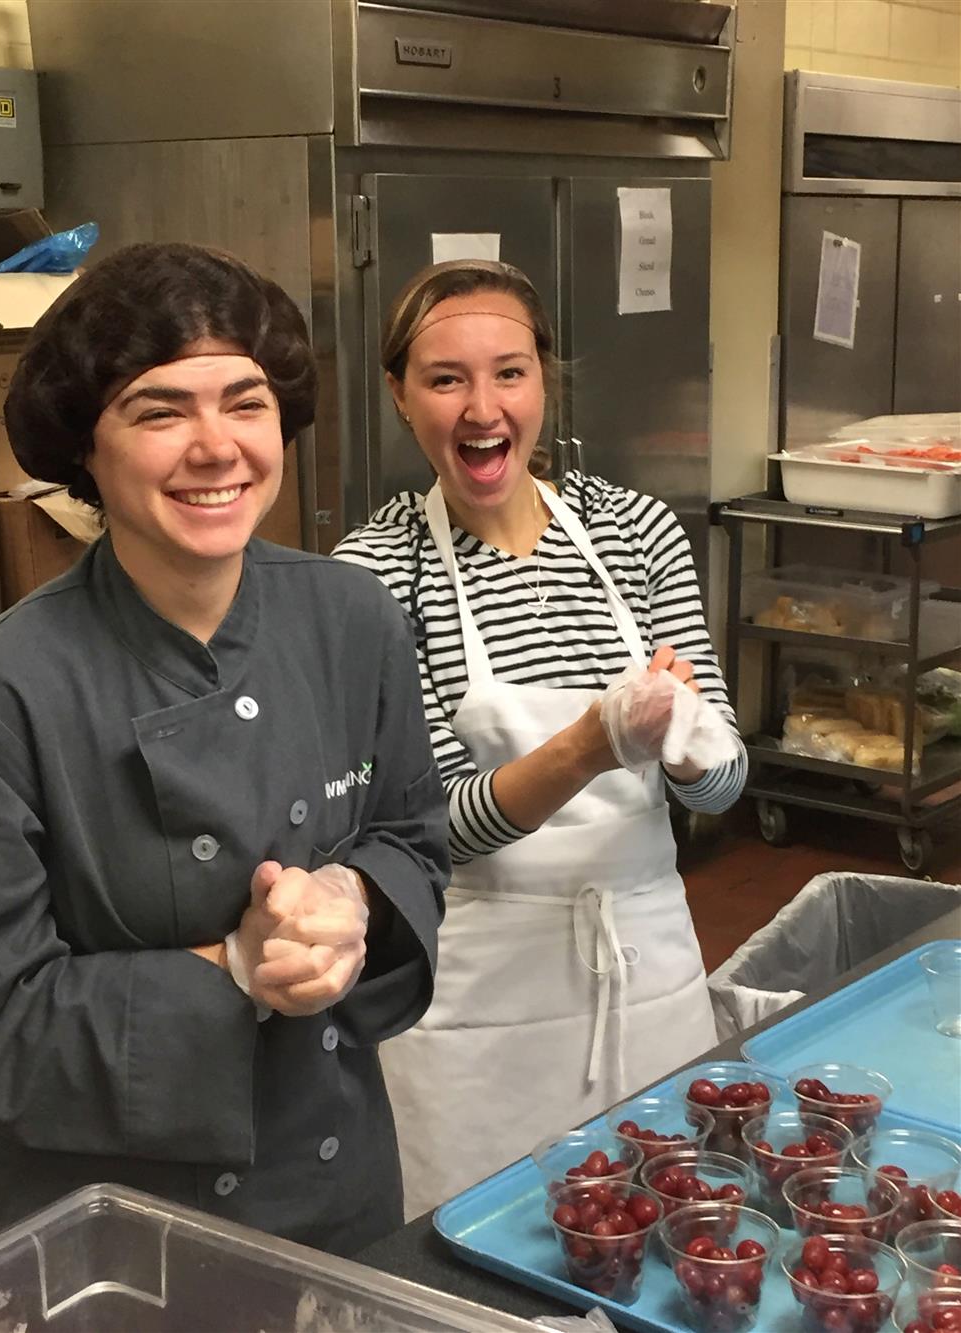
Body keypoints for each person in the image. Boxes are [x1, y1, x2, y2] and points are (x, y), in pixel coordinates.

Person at [0, 242, 449, 1251]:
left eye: (245, 401)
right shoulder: (0, 692)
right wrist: (234, 964)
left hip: (337, 1189)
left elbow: (413, 836)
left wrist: (348, 902)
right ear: (83, 449)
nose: (216, 444)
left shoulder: (353, 620)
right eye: (158, 410)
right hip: (113, 1233)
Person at [334, 258, 748, 1217]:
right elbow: (428, 826)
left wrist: (685, 744)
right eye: (446, 378)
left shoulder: (637, 530)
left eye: (509, 371)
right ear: (400, 396)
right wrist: (591, 745)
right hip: (472, 999)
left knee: (664, 1232)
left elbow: (723, 782)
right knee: (475, 1257)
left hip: (646, 968)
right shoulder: (373, 571)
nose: (484, 407)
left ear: (544, 381)